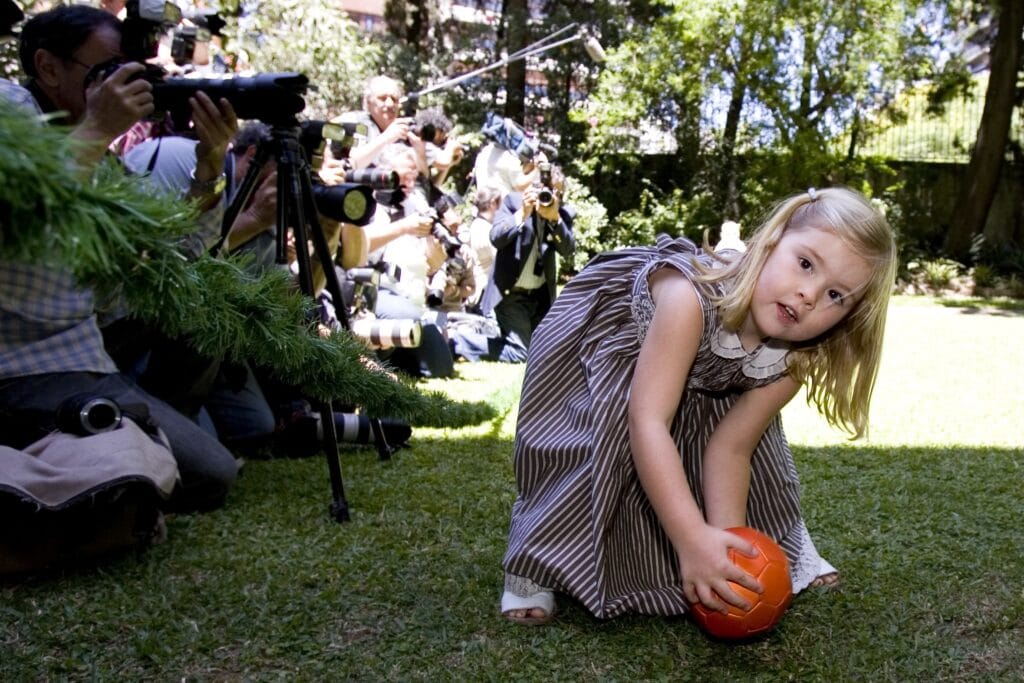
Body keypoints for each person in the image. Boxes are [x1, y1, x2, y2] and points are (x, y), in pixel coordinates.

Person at [499, 186, 897, 625]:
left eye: (836, 295)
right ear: (772, 240)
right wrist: (690, 539)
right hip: (614, 356)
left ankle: (782, 542)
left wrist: (728, 553)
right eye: (805, 264)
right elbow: (648, 420)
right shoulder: (689, 299)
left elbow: (732, 450)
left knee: (753, 451)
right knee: (593, 451)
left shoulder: (798, 357)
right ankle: (533, 562)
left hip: (701, 381)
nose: (808, 295)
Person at [0, 5, 238, 512]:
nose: (129, 86)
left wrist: (209, 168)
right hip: (25, 364)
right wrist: (94, 130)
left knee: (208, 314)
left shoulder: (103, 158)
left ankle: (136, 426)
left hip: (91, 346)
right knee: (209, 475)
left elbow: (174, 261)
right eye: (108, 71)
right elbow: (16, 216)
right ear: (48, 67)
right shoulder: (10, 110)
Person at [451, 158, 575, 364]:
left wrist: (555, 219)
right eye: (547, 191)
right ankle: (460, 341)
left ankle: (487, 334)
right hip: (510, 294)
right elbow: (496, 238)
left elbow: (568, 249)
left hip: (539, 297)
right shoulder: (513, 202)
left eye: (557, 193)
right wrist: (522, 214)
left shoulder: (561, 214)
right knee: (521, 354)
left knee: (545, 354)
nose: (550, 197)